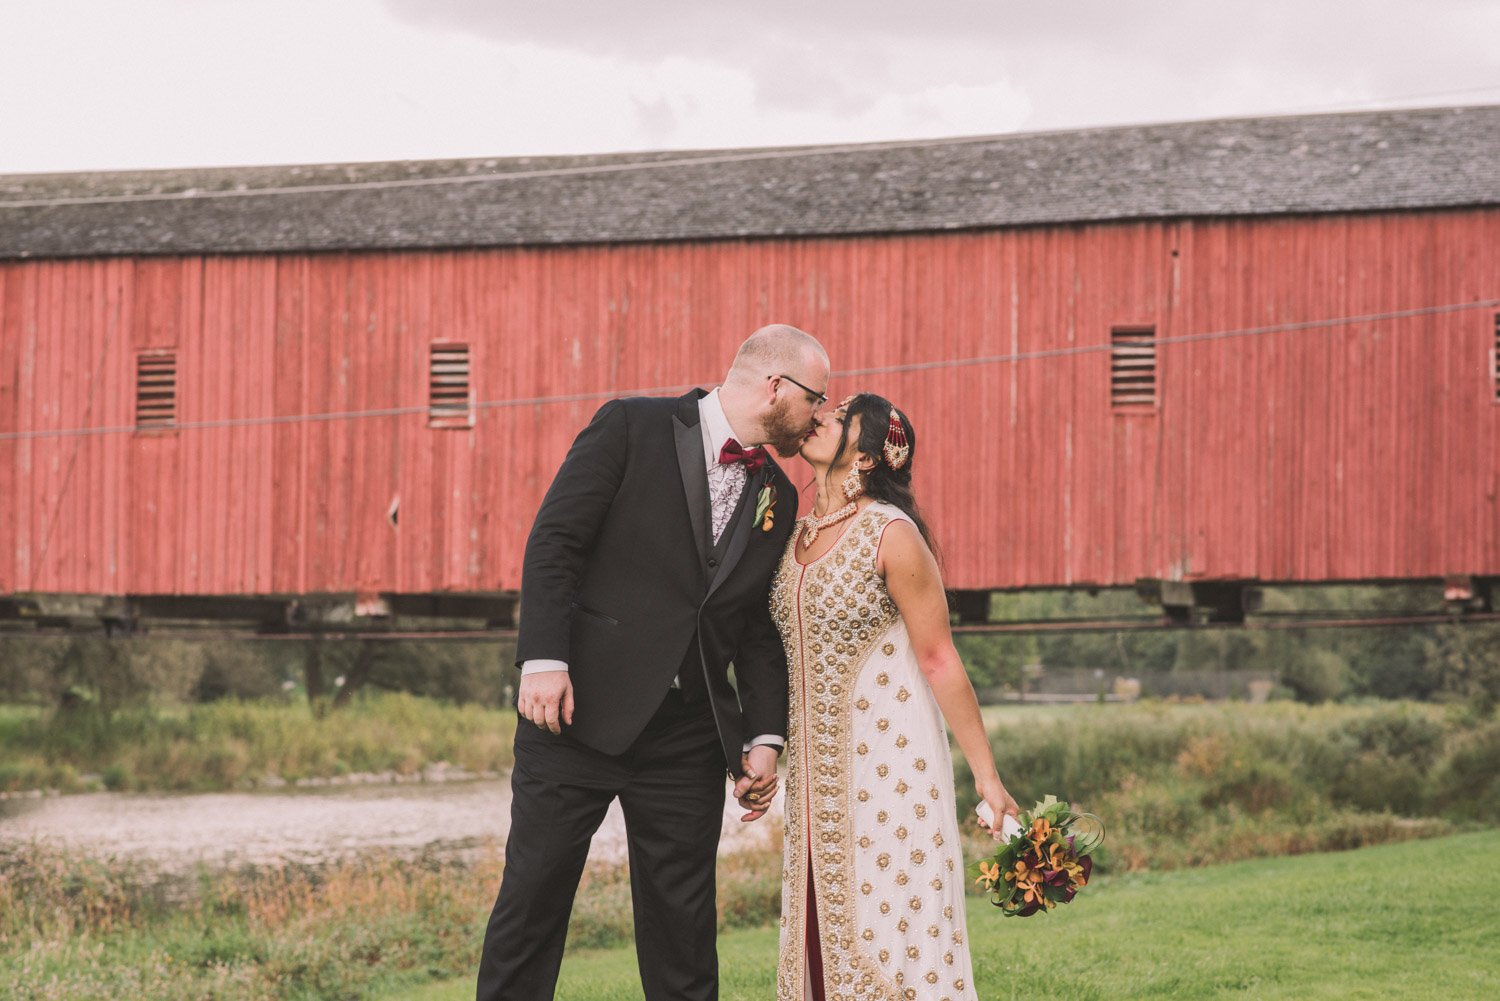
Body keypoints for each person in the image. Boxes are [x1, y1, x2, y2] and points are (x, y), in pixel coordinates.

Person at [476, 324, 831, 1001]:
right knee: (532, 903)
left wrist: (764, 737)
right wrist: (544, 658)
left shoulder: (779, 496)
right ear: (776, 387)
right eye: (816, 397)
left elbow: (757, 627)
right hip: (575, 713)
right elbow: (555, 541)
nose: (819, 414)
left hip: (688, 735)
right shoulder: (629, 426)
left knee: (684, 930)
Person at [769, 393, 1020, 1001]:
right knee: (817, 937)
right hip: (814, 780)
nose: (819, 417)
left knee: (887, 934)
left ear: (865, 455)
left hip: (889, 771)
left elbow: (939, 659)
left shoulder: (891, 533)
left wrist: (987, 778)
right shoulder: (793, 534)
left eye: (839, 418)